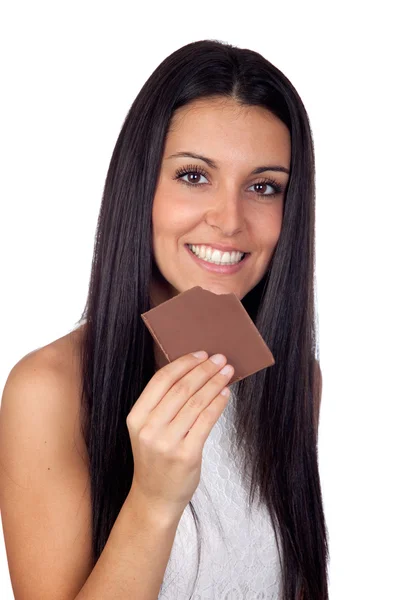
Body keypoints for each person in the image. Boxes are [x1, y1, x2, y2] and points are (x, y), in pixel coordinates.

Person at [0, 39, 329, 599]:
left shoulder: (295, 380)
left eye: (263, 187)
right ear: (141, 186)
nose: (229, 220)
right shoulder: (49, 389)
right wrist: (154, 501)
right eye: (194, 176)